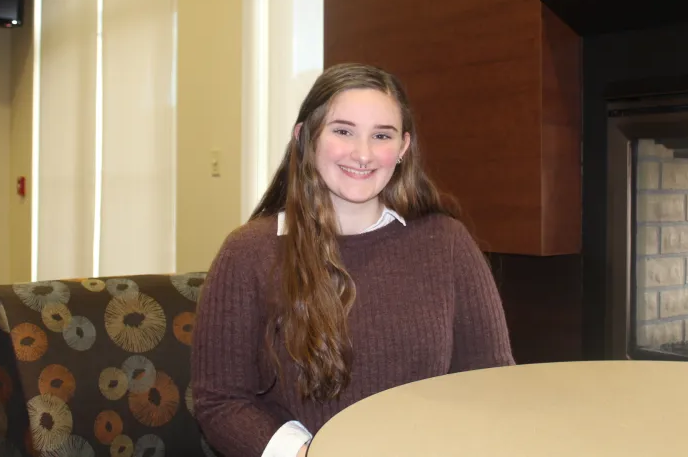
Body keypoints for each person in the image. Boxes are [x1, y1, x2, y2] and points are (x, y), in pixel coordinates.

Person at [191, 63, 514, 457]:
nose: (363, 154)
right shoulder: (247, 253)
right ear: (305, 138)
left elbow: (490, 380)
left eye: (382, 135)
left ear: (403, 148)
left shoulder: (447, 243)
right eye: (343, 131)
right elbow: (221, 400)